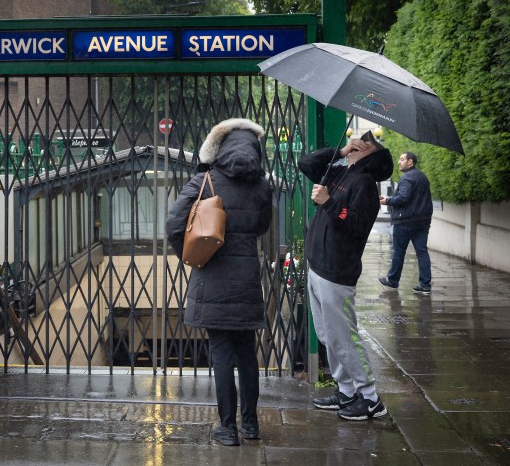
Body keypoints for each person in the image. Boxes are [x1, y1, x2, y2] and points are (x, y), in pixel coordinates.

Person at [165, 118, 272, 447]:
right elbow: (262, 226)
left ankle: (227, 428)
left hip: (212, 279)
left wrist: (195, 252)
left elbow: (173, 224)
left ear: (220, 148)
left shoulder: (205, 180)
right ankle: (251, 424)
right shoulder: (262, 186)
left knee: (221, 353)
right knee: (247, 354)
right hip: (247, 282)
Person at [298, 130, 393, 421]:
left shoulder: (364, 184)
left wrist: (328, 202)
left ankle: (371, 399)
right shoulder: (341, 172)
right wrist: (340, 152)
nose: (356, 143)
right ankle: (347, 390)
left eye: (363, 142)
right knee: (328, 335)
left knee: (345, 337)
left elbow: (354, 224)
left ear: (370, 152)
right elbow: (307, 164)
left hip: (337, 270)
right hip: (319, 265)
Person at [378, 151, 434, 294]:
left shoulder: (406, 178)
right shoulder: (422, 177)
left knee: (399, 251)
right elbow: (415, 198)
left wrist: (387, 201)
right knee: (422, 252)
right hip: (422, 221)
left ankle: (393, 280)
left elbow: (404, 198)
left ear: (410, 162)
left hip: (405, 222)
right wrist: (390, 198)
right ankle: (425, 285)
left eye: (402, 159)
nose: (398, 162)